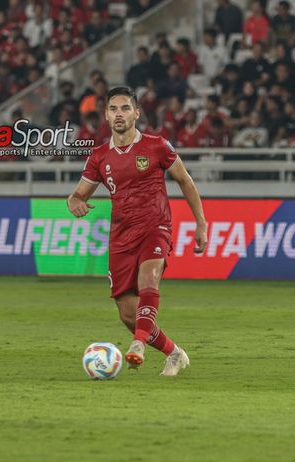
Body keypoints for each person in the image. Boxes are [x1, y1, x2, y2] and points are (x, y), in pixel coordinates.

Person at [67, 87, 208, 376]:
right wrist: (76, 202)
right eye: (114, 109)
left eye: (125, 108)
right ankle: (174, 353)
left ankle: (138, 346)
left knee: (149, 278)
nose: (119, 114)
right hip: (121, 236)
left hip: (155, 227)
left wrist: (201, 224)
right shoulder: (99, 156)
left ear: (137, 113)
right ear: (106, 115)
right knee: (128, 314)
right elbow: (78, 194)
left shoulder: (157, 146)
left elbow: (185, 180)